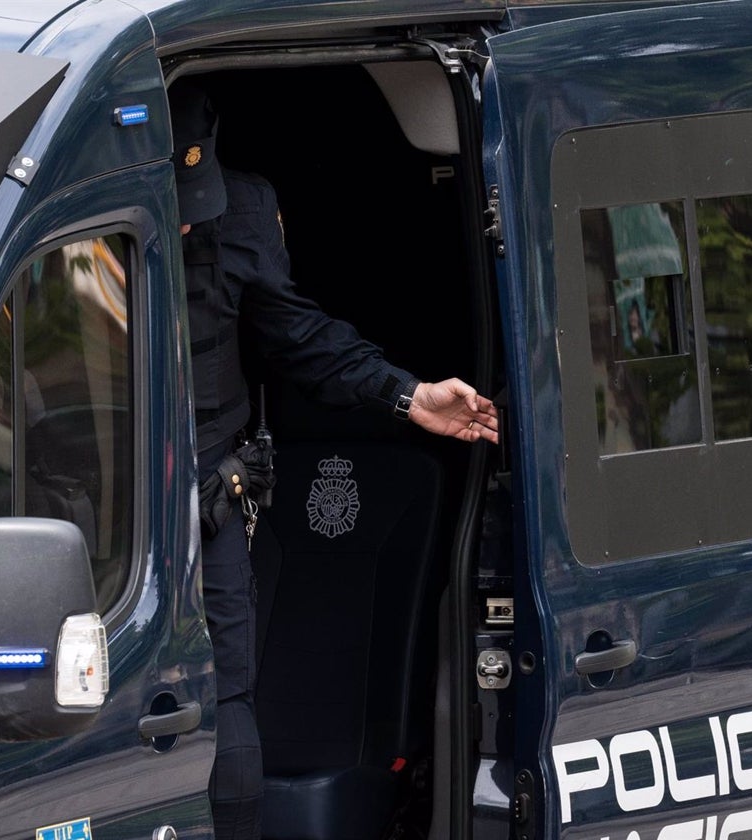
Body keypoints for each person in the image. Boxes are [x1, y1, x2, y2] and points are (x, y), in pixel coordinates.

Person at [169, 78, 499, 840]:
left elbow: (296, 336)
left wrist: (407, 396)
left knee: (229, 702)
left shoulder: (244, 212)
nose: (189, 228)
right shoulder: (74, 212)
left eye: (198, 206)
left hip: (211, 503)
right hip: (103, 505)